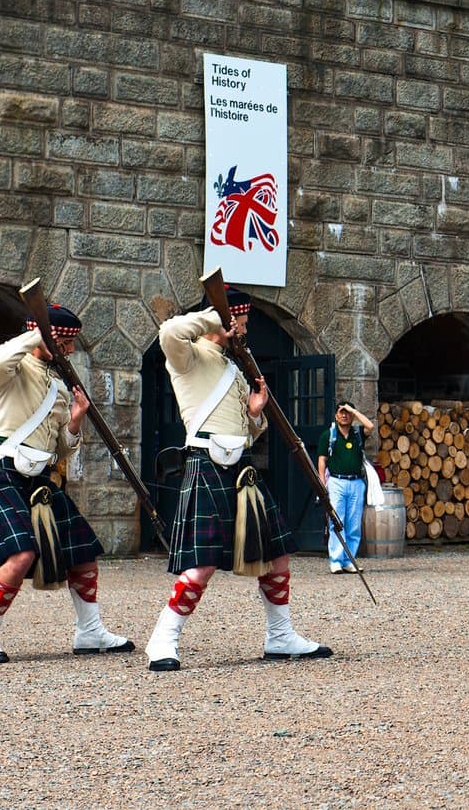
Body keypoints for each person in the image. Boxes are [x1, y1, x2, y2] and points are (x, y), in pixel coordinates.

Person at [145, 287, 330, 670]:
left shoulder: (236, 370)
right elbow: (168, 332)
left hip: (240, 467)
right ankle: (163, 638)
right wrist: (216, 318)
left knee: (277, 556)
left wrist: (256, 413)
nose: (242, 333)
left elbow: (248, 433)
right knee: (202, 564)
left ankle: (280, 637)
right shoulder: (189, 357)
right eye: (239, 325)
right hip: (206, 463)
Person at [0, 304, 133, 663]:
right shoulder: (12, 370)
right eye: (64, 342)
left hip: (40, 479)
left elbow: (61, 448)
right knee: (21, 554)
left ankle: (90, 631)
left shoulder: (58, 385)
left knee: (84, 553)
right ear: (44, 337)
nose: (69, 351)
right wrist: (38, 335)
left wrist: (74, 422)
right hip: (5, 473)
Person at [317, 401, 375, 573]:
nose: (344, 415)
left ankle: (349, 560)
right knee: (336, 521)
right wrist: (322, 480)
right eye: (341, 412)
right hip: (336, 482)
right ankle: (335, 560)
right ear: (336, 416)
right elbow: (322, 459)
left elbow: (370, 426)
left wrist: (354, 411)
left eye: (347, 412)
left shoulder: (358, 433)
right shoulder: (328, 435)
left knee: (354, 524)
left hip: (356, 483)